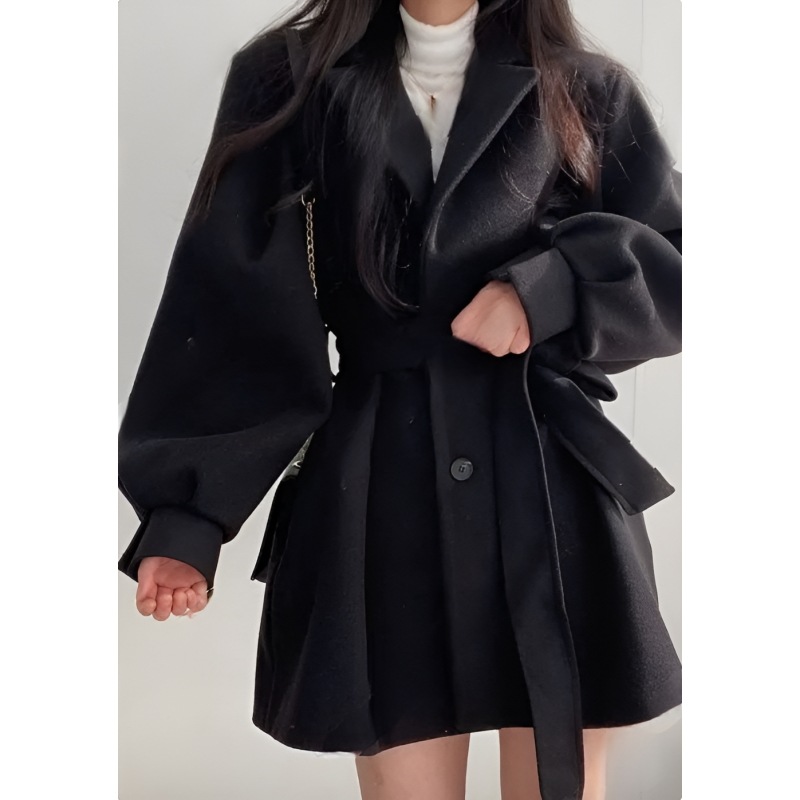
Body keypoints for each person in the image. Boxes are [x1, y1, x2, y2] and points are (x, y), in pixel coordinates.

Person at [118, 1, 682, 798]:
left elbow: (677, 256)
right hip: (380, 493)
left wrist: (547, 291)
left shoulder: (586, 88)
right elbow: (230, 299)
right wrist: (188, 513)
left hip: (551, 487)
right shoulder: (288, 80)